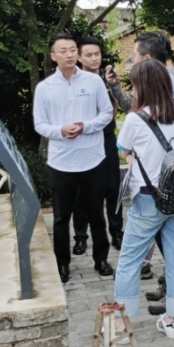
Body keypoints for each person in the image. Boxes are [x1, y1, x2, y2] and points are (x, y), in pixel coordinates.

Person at [112, 59, 174, 339]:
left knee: (130, 259)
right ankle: (172, 319)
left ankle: (121, 323)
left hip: (149, 197)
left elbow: (124, 149)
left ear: (141, 87)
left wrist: (134, 158)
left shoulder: (135, 119)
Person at [33, 33, 115, 283]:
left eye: (72, 50)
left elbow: (107, 113)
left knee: (96, 213)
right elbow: (39, 124)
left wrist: (86, 127)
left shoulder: (93, 81)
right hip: (61, 161)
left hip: (92, 158)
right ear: (53, 56)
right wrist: (61, 131)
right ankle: (62, 264)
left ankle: (101, 259)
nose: (69, 55)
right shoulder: (45, 88)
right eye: (63, 51)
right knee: (61, 218)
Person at [71, 35, 124, 251]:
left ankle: (117, 232)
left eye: (97, 54)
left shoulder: (107, 80)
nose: (94, 59)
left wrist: (114, 86)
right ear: (79, 57)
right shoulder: (73, 82)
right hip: (83, 140)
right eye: (89, 55)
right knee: (81, 190)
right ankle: (80, 236)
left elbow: (117, 107)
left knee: (113, 188)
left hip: (107, 138)